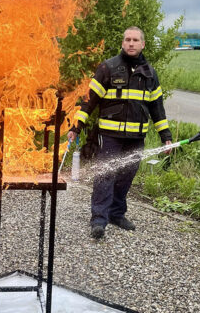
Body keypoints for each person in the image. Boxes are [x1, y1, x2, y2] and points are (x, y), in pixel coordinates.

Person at [68, 26, 173, 239]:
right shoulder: (108, 68)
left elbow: (157, 109)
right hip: (110, 137)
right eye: (127, 39)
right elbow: (89, 101)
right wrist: (76, 126)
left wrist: (166, 137)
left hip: (136, 138)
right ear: (122, 43)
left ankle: (117, 214)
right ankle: (99, 220)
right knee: (105, 176)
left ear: (143, 44)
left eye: (135, 40)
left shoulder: (150, 74)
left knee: (125, 177)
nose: (131, 43)